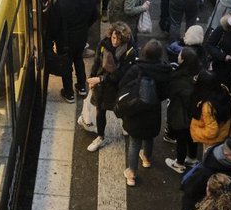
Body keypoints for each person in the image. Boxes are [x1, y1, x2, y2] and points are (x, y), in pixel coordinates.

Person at [118, 39, 172, 184]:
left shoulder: (137, 68)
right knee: (149, 137)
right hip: (153, 110)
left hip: (136, 110)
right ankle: (147, 159)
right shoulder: (164, 70)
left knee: (135, 142)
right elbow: (166, 91)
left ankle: (131, 173)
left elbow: (123, 85)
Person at [83, 22, 136, 152]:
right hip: (101, 86)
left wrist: (99, 79)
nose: (115, 41)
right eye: (113, 37)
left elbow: (121, 74)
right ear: (110, 35)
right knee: (100, 110)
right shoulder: (103, 44)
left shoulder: (130, 51)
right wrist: (92, 78)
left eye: (119, 39)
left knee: (120, 109)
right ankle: (100, 137)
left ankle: (126, 126)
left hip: (117, 86)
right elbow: (96, 62)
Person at [53, 0, 99, 102]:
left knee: (66, 65)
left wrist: (52, 40)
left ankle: (69, 93)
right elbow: (94, 17)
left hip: (65, 41)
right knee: (79, 60)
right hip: (81, 38)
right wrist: (85, 27)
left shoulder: (60, 4)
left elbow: (55, 25)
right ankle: (82, 87)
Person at [164, 47, 201, 173]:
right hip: (195, 114)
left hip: (180, 114)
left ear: (183, 60)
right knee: (192, 137)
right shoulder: (198, 74)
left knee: (181, 139)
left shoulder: (179, 78)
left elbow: (170, 91)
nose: (178, 56)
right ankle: (192, 158)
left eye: (180, 55)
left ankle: (179, 163)